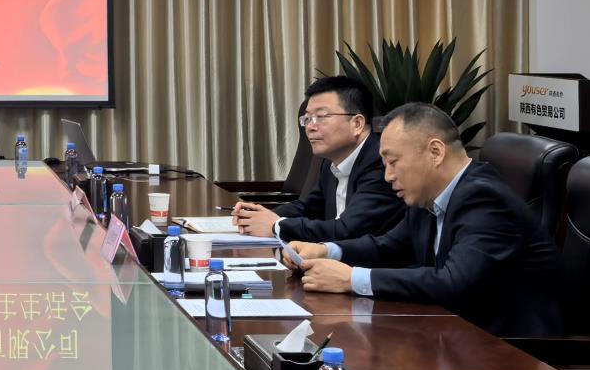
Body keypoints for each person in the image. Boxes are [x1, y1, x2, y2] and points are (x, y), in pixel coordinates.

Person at [286, 103, 562, 337]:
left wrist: (351, 279)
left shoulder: (485, 198)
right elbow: (389, 246)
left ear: (435, 152)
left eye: (393, 162)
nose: (388, 176)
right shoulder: (428, 194)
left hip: (510, 352)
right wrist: (327, 250)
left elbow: (454, 282)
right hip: (452, 334)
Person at [233, 75, 404, 243]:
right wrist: (260, 216)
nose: (310, 127)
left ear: (357, 124)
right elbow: (310, 208)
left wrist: (276, 226)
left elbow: (348, 230)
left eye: (321, 117)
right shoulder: (330, 161)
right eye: (307, 118)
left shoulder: (381, 162)